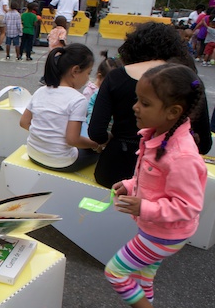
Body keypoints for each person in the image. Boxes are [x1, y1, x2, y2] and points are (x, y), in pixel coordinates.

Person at [103, 63, 207, 308]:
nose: (135, 107)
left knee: (115, 271)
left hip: (165, 235)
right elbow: (150, 179)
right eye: (137, 99)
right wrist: (130, 185)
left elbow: (187, 206)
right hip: (156, 229)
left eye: (145, 103)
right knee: (141, 280)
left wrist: (144, 207)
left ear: (173, 111)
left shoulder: (182, 155)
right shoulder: (158, 134)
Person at [88, 22, 212, 188]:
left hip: (114, 168)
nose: (136, 107)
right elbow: (204, 143)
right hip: (164, 178)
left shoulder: (116, 77)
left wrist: (112, 140)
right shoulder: (186, 82)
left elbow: (96, 132)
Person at [19, 44, 103, 172]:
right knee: (96, 152)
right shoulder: (78, 99)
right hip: (60, 162)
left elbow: (23, 123)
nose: (88, 78)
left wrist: (43, 134)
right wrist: (95, 145)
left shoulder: (41, 91)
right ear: (75, 71)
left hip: (33, 153)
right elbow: (73, 139)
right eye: (88, 73)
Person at [80, 51, 122, 136]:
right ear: (99, 76)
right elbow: (86, 109)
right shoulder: (91, 91)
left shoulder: (114, 91)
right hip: (90, 124)